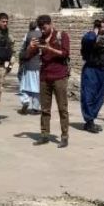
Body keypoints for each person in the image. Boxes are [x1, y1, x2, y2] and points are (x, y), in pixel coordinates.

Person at [33, 15, 71, 148]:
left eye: (44, 28)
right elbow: (27, 56)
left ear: (51, 24)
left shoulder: (62, 36)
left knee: (62, 108)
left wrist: (50, 48)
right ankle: (44, 134)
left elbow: (65, 53)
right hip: (44, 77)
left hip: (59, 77)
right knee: (44, 109)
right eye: (41, 29)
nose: (42, 31)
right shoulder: (40, 39)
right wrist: (31, 47)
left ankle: (64, 136)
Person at [80, 19, 104, 133]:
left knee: (99, 96)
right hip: (91, 70)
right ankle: (89, 121)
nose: (103, 29)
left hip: (102, 70)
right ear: (96, 27)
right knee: (88, 95)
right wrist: (94, 32)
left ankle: (91, 119)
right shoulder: (89, 36)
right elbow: (88, 40)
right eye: (101, 27)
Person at [18, 21, 42, 115]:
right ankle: (35, 108)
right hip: (38, 66)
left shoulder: (27, 35)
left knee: (24, 86)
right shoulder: (42, 35)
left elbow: (22, 50)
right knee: (37, 88)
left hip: (27, 65)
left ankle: (25, 101)